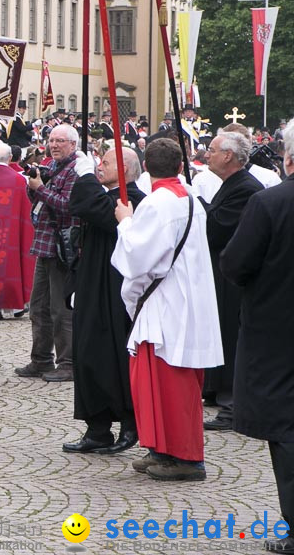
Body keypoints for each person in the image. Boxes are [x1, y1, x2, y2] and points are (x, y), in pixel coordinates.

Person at [111, 138, 223, 481]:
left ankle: (186, 458)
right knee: (155, 383)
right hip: (186, 298)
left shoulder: (157, 204)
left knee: (171, 384)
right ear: (179, 166)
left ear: (146, 167)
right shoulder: (191, 198)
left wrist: (125, 221)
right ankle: (160, 448)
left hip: (167, 303)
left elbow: (138, 258)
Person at [220, 121, 294, 553]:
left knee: (286, 429)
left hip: (277, 332)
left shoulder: (270, 203)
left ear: (287, 156)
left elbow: (235, 264)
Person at [63, 147, 145, 454]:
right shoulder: (108, 196)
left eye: (106, 162)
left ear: (124, 170)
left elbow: (93, 206)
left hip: (115, 291)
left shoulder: (132, 199)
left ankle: (128, 422)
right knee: (88, 355)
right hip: (92, 286)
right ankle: (97, 428)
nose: (99, 166)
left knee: (114, 357)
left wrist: (85, 177)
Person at [198, 131, 262, 430]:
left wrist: (197, 205)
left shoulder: (245, 189)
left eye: (211, 150)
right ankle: (218, 392)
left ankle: (231, 404)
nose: (206, 155)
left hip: (234, 279)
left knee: (230, 336)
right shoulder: (233, 185)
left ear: (228, 156)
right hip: (224, 275)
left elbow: (217, 227)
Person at [15, 124, 80, 382]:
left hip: (61, 247)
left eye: (60, 141)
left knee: (60, 309)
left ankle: (67, 362)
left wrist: (40, 188)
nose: (54, 145)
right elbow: (42, 203)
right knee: (38, 306)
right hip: (44, 244)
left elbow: (67, 206)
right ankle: (41, 359)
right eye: (51, 140)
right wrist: (34, 188)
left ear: (73, 145)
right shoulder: (52, 166)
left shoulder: (75, 171)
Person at [0, 142, 34, 321]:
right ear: (10, 158)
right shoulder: (19, 180)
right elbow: (26, 214)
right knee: (10, 266)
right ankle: (10, 303)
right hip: (10, 236)